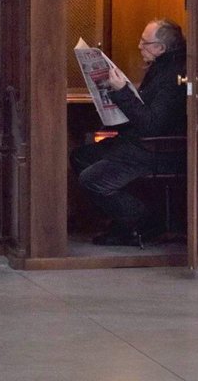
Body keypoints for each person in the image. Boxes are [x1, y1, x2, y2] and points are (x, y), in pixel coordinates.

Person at [70, 19, 187, 246]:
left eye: (145, 43)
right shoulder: (159, 67)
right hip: (137, 142)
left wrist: (122, 91)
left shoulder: (172, 76)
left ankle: (145, 220)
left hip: (155, 149)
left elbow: (151, 125)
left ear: (161, 48)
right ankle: (120, 219)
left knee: (92, 180)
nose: (139, 46)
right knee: (81, 156)